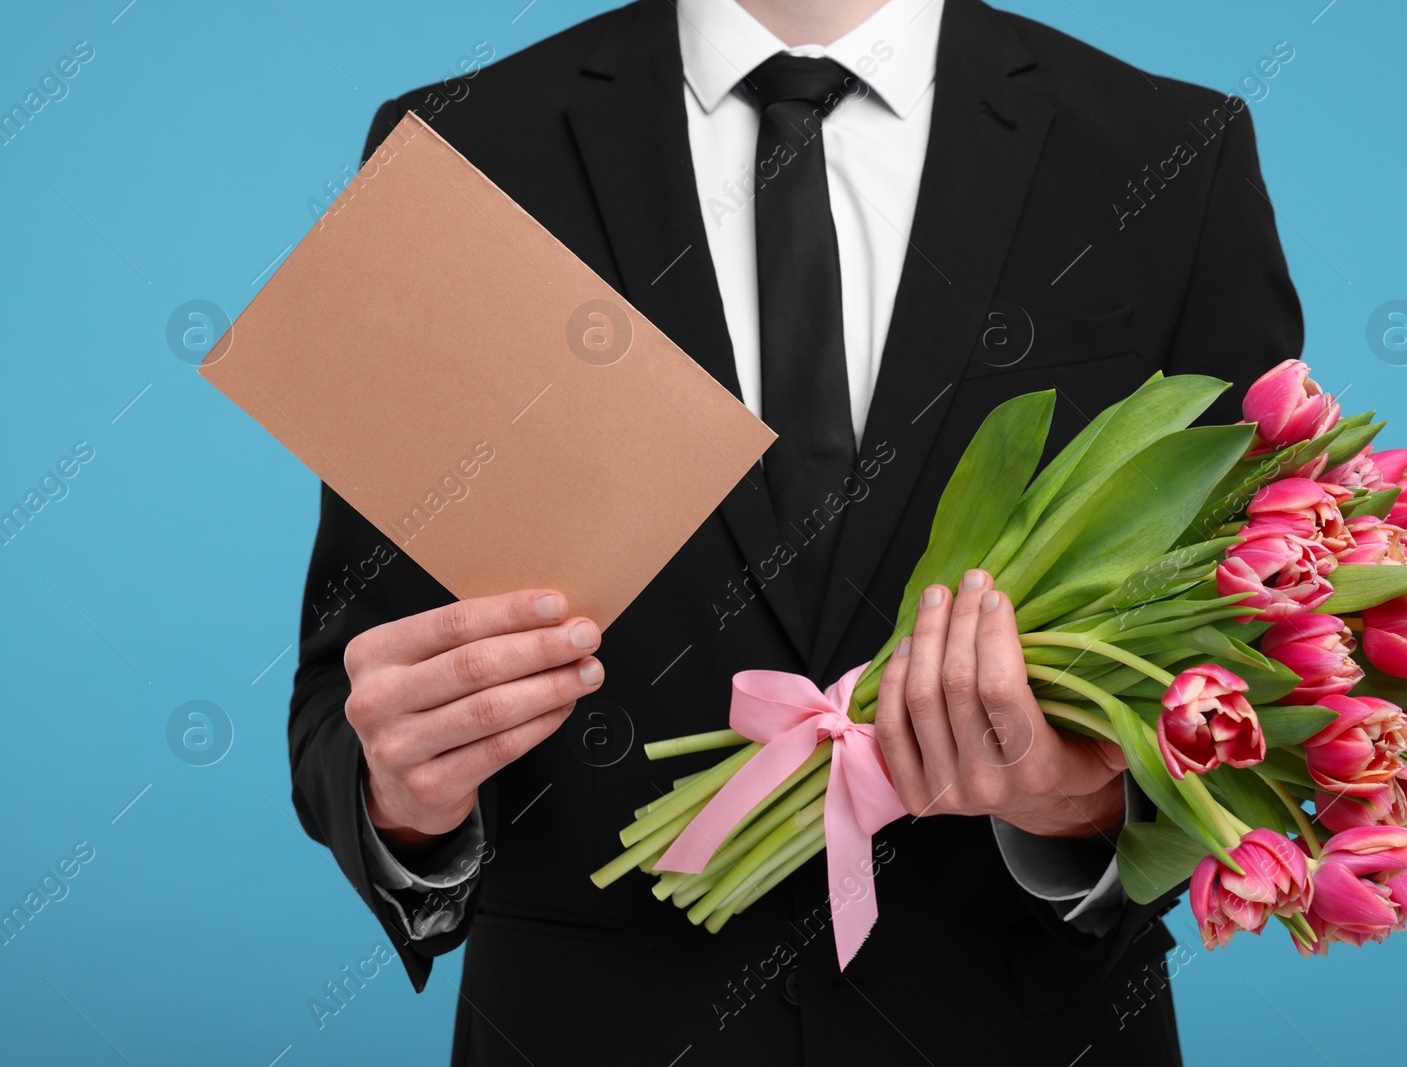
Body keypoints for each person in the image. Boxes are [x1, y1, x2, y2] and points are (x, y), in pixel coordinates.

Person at [288, 0, 1303, 1062]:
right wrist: (402, 796)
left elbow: (1253, 666)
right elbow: (342, 692)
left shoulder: (1169, 155)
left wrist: (1078, 798)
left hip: (1018, 1023)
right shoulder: (462, 153)